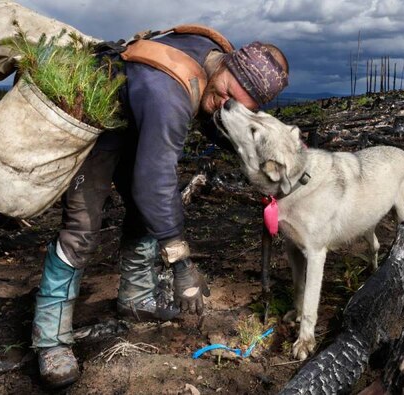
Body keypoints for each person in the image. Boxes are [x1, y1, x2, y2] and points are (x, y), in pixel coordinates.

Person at [31, 27, 289, 387]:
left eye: (235, 105)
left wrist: (263, 161)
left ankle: (136, 299)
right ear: (228, 66)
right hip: (99, 124)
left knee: (145, 213)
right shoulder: (168, 96)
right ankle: (50, 342)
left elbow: (216, 119)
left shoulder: (214, 57)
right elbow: (156, 182)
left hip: (136, 122)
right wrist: (181, 264)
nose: (222, 103)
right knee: (82, 229)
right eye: (225, 92)